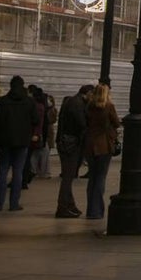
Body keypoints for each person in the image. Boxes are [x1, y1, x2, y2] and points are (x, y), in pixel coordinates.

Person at [0, 74, 39, 212]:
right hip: (22, 141)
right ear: (23, 85)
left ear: (10, 86)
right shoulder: (29, 102)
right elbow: (35, 120)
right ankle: (14, 204)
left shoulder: (1, 101)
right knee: (18, 172)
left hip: (4, 141)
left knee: (3, 171)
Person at [55, 83, 93, 218]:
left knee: (69, 176)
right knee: (68, 177)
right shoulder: (77, 104)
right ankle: (63, 207)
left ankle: (70, 205)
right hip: (71, 144)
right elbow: (81, 124)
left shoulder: (72, 101)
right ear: (88, 93)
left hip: (66, 142)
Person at [83, 83, 120, 219]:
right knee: (100, 177)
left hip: (90, 144)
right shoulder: (109, 106)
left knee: (92, 178)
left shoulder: (89, 107)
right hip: (104, 144)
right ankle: (96, 210)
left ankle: (90, 209)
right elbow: (116, 123)